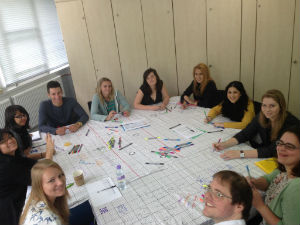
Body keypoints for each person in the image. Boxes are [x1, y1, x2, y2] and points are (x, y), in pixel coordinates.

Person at [213, 89, 299, 160]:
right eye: (264, 105)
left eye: (272, 106)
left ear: (281, 107)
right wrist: (225, 144)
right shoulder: (262, 115)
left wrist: (241, 154)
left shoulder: (290, 124)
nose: (267, 110)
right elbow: (245, 133)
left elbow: (273, 150)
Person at [247, 126, 300, 225]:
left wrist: (260, 206)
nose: (281, 148)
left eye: (289, 146)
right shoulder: (286, 169)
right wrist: (255, 182)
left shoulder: (296, 189)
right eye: (280, 143)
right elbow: (268, 180)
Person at [0, 131, 54, 225]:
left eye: (10, 137)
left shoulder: (13, 156)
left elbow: (32, 164)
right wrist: (49, 151)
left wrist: (45, 156)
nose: (10, 141)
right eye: (3, 141)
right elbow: (43, 176)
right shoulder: (5, 166)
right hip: (13, 212)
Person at [20, 159, 69, 225]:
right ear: (39, 186)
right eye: (51, 180)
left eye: (60, 175)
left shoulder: (32, 195)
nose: (60, 182)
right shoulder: (51, 221)